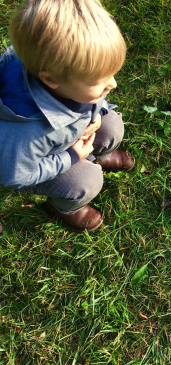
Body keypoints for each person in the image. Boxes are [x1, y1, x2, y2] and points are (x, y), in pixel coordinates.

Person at [0, 0, 133, 232]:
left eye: (111, 74)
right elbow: (15, 175)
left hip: (71, 132)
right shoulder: (26, 131)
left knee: (112, 126)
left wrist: (99, 110)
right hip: (42, 158)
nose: (113, 84)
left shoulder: (63, 75)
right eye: (98, 81)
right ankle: (63, 207)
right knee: (85, 182)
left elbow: (95, 94)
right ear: (51, 80)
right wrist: (70, 157)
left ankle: (99, 155)